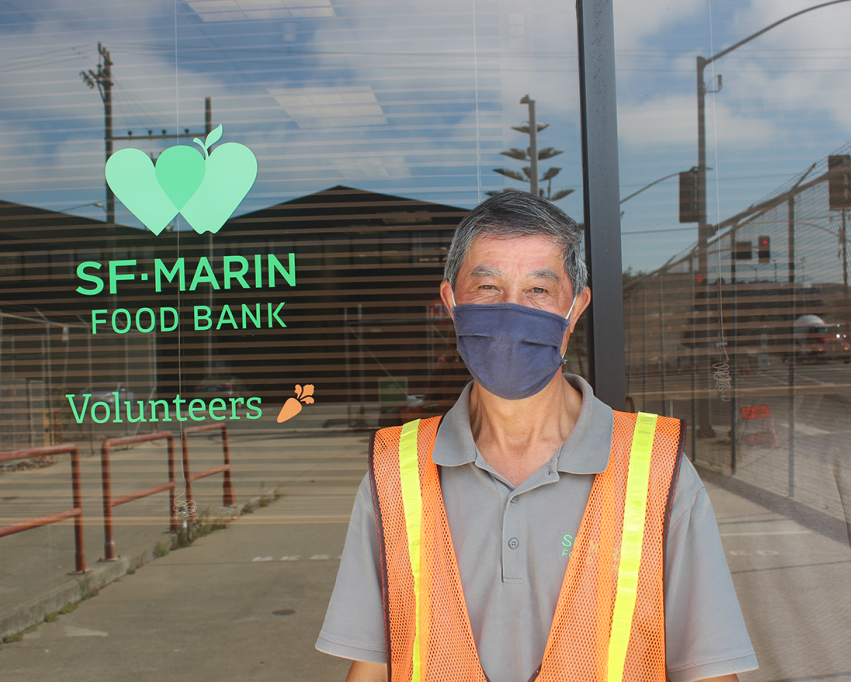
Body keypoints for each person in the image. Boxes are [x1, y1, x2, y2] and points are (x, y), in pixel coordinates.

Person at [316, 191, 758, 682]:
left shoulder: (658, 473)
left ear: (576, 309)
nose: (511, 311)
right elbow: (373, 668)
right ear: (451, 302)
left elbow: (710, 672)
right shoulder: (395, 475)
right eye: (487, 287)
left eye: (539, 291)